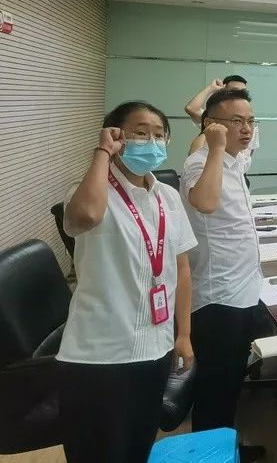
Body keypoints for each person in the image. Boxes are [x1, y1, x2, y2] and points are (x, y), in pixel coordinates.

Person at [57, 101, 197, 463]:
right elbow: (85, 215)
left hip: (156, 349)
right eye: (140, 133)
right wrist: (102, 152)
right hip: (100, 356)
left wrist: (183, 334)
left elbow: (181, 267)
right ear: (117, 136)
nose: (151, 142)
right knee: (99, 453)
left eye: (159, 134)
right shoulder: (89, 191)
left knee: (138, 447)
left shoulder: (168, 197)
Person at [182, 88, 266, 460]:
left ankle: (225, 450)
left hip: (243, 289)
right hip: (219, 298)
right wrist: (215, 146)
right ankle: (210, 456)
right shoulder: (200, 163)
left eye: (250, 121)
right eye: (237, 121)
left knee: (231, 383)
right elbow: (205, 202)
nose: (247, 129)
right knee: (215, 390)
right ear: (212, 126)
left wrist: (224, 148)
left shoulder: (235, 160)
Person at [185, 75, 259, 168]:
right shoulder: (216, 117)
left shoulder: (249, 125)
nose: (247, 129)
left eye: (243, 92)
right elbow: (191, 108)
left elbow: (249, 152)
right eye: (236, 121)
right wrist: (211, 88)